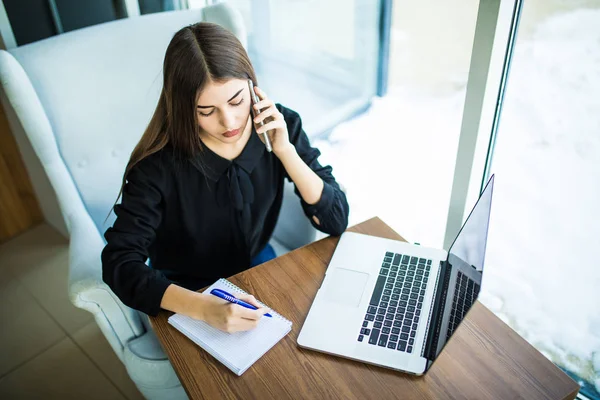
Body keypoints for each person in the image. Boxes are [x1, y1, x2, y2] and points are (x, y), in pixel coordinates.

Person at [101, 22, 349, 333]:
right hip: (185, 287)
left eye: (236, 101)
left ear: (252, 85)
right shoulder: (156, 167)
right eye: (206, 111)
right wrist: (201, 306)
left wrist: (285, 151)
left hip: (258, 263)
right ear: (183, 109)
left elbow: (336, 220)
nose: (228, 121)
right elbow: (119, 263)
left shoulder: (279, 125)